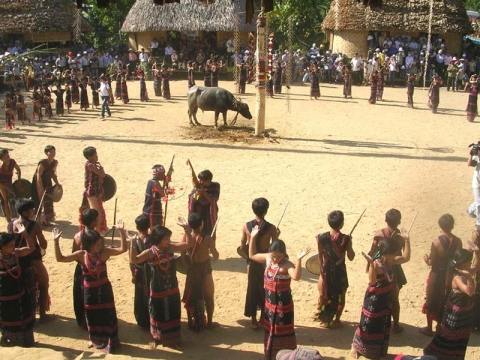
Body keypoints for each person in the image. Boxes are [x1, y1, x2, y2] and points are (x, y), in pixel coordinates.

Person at [54, 221, 126, 354]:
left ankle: (110, 339)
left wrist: (121, 231)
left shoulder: (104, 253)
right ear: (88, 245)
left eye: (100, 242)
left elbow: (123, 249)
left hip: (104, 290)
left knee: (107, 312)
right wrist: (56, 242)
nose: (100, 245)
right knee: (91, 314)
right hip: (89, 291)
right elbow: (60, 258)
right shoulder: (81, 255)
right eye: (96, 244)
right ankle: (94, 339)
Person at [130, 222, 194, 349]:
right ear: (158, 239)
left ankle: (173, 339)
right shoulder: (150, 252)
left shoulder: (170, 248)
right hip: (157, 290)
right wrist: (132, 243)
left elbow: (189, 244)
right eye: (166, 238)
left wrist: (187, 229)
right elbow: (135, 260)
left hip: (171, 288)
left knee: (173, 311)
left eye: (169, 238)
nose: (168, 240)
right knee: (156, 312)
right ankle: (156, 337)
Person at [249, 232, 310, 360]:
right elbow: (252, 255)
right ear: (269, 252)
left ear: (284, 254)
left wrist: (299, 260)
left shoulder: (287, 265)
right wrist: (253, 237)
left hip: (284, 308)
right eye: (273, 256)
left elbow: (296, 277)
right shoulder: (267, 258)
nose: (276, 259)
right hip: (269, 307)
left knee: (283, 333)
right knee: (270, 331)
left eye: (279, 256)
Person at [351, 234, 411, 359]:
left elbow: (406, 257)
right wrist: (371, 264)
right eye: (394, 253)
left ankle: (377, 350)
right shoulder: (377, 264)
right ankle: (357, 347)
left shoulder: (391, 261)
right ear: (387, 252)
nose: (396, 255)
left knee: (382, 324)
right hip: (374, 300)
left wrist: (407, 240)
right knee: (368, 323)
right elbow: (372, 281)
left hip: (385, 299)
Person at [423, 249, 478, 360]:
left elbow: (477, 266)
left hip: (465, 313)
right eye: (469, 262)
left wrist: (477, 251)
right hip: (456, 314)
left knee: (461, 336)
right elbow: (469, 292)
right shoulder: (457, 277)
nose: (471, 264)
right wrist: (468, 277)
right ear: (463, 263)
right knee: (449, 335)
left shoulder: (466, 271)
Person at [420, 214, 462, 336]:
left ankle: (429, 327)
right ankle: (439, 325)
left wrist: (425, 259)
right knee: (445, 298)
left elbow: (431, 262)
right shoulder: (458, 241)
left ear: (440, 225)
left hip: (437, 273)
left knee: (431, 298)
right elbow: (457, 259)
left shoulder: (436, 242)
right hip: (450, 274)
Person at [368, 209, 409, 333]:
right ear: (399, 221)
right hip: (394, 267)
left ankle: (380, 322)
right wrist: (407, 240)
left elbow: (372, 252)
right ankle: (395, 325)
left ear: (386, 220)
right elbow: (406, 256)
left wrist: (370, 266)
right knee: (394, 298)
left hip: (379, 266)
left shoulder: (378, 234)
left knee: (378, 295)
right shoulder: (401, 237)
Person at [240, 198, 279, 329]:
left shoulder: (246, 226)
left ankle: (253, 321)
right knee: (265, 288)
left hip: (251, 262)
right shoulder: (271, 228)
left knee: (252, 289)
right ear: (266, 211)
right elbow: (275, 247)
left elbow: (242, 245)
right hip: (264, 261)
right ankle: (263, 317)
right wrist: (277, 235)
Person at [10, 198, 51, 321]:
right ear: (25, 213)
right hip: (34, 260)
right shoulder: (34, 225)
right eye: (31, 210)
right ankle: (43, 315)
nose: (34, 211)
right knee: (43, 284)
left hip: (17, 260)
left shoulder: (11, 224)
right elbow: (43, 245)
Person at [315, 210, 355, 328]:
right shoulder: (345, 239)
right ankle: (337, 320)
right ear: (341, 224)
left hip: (326, 270)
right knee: (340, 295)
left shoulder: (320, 238)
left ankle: (324, 319)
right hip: (340, 271)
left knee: (325, 293)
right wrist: (350, 244)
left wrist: (322, 272)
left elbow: (320, 256)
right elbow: (351, 257)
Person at [182, 212, 219, 331]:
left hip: (192, 270)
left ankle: (189, 322)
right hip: (205, 271)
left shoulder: (185, 237)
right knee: (209, 296)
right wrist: (210, 246)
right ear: (201, 224)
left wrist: (188, 264)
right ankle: (209, 323)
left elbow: (182, 255)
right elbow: (216, 256)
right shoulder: (207, 239)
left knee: (190, 294)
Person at [0, 227, 36, 347]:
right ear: (2, 248)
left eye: (13, 244)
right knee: (9, 322)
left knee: (25, 321)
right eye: (10, 245)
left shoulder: (15, 254)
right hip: (6, 301)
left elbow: (31, 248)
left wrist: (25, 233)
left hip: (20, 296)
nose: (13, 247)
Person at [72, 209, 99, 328]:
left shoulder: (77, 236)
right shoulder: (96, 236)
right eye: (96, 219)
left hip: (81, 268)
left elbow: (74, 254)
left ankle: (84, 321)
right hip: (93, 270)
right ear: (93, 222)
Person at [129, 214, 151, 329]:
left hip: (139, 272)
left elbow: (131, 261)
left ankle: (142, 320)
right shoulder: (153, 239)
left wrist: (133, 274)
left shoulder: (134, 240)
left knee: (140, 295)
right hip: (151, 272)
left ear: (137, 227)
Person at [31, 145, 61, 227]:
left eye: (53, 151)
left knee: (48, 201)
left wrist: (57, 183)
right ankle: (38, 221)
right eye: (50, 152)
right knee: (39, 201)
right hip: (38, 183)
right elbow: (38, 176)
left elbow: (53, 174)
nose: (52, 153)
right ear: (46, 153)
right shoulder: (42, 163)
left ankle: (46, 220)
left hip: (48, 182)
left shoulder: (55, 162)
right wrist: (40, 188)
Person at [81, 147, 107, 233]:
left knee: (99, 213)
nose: (96, 155)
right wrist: (101, 168)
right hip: (92, 194)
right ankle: (97, 233)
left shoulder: (94, 164)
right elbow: (102, 174)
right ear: (89, 157)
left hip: (96, 193)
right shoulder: (90, 165)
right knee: (98, 215)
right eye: (95, 154)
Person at [188, 169, 220, 237]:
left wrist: (203, 192)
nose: (199, 182)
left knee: (210, 233)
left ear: (208, 181)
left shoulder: (216, 186)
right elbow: (192, 197)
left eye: (201, 180)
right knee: (197, 233)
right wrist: (196, 194)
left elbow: (214, 200)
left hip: (209, 214)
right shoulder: (198, 185)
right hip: (198, 213)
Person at [142, 164, 173, 228]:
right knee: (155, 230)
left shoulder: (150, 181)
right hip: (152, 211)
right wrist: (166, 182)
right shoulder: (156, 183)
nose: (164, 175)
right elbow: (163, 194)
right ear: (158, 174)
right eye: (163, 173)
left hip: (147, 209)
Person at [0, 149, 21, 222]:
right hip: (2, 185)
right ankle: (8, 219)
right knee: (5, 201)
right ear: (2, 159)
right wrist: (8, 189)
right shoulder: (1, 169)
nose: (7, 159)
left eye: (8, 156)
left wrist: (19, 179)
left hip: (9, 183)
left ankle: (14, 216)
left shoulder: (12, 162)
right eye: (5, 158)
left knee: (12, 200)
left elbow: (18, 169)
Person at [467, 144, 480, 228]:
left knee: (478, 200)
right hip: (477, 184)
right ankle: (479, 222)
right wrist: (471, 155)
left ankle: (470, 209)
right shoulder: (476, 158)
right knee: (479, 202)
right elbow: (469, 164)